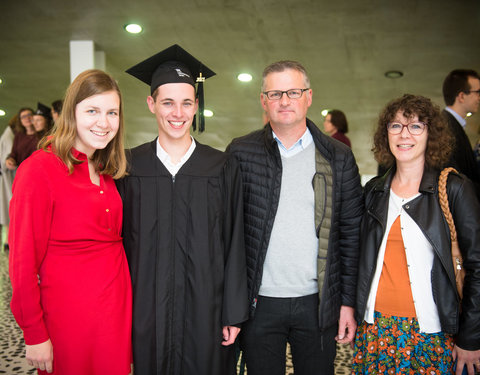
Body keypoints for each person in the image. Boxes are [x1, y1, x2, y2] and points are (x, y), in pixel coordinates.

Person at [118, 44, 248, 375]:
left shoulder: (221, 166)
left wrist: (233, 312)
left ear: (196, 105)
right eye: (168, 103)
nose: (178, 113)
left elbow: (235, 242)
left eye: (186, 102)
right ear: (151, 104)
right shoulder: (129, 168)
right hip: (146, 311)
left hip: (207, 311)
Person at [227, 60, 364, 375]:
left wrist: (347, 303)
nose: (284, 101)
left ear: (309, 96)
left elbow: (350, 235)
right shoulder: (240, 152)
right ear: (264, 101)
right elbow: (228, 233)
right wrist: (231, 308)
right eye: (275, 94)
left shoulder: (338, 157)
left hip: (317, 303)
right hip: (259, 302)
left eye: (293, 92)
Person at [9, 69, 132, 374]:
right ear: (71, 112)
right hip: (68, 318)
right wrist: (34, 333)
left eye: (112, 112)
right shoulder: (39, 169)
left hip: (114, 315)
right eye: (92, 111)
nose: (103, 122)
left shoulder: (106, 170)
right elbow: (22, 262)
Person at [353, 94, 480, 375]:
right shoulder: (374, 191)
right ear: (385, 134)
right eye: (395, 126)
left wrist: (472, 336)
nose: (404, 134)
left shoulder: (455, 189)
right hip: (375, 330)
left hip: (433, 334)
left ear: (430, 134)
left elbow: (478, 266)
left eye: (415, 126)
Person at [442, 69, 480, 196]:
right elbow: (451, 176)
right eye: (477, 92)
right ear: (462, 96)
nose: (479, 97)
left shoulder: (453, 124)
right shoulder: (444, 126)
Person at [0, 114, 17, 251]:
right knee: (9, 207)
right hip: (9, 176)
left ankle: (8, 239)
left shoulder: (8, 134)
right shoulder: (9, 136)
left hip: (8, 176)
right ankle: (9, 240)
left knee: (7, 207)